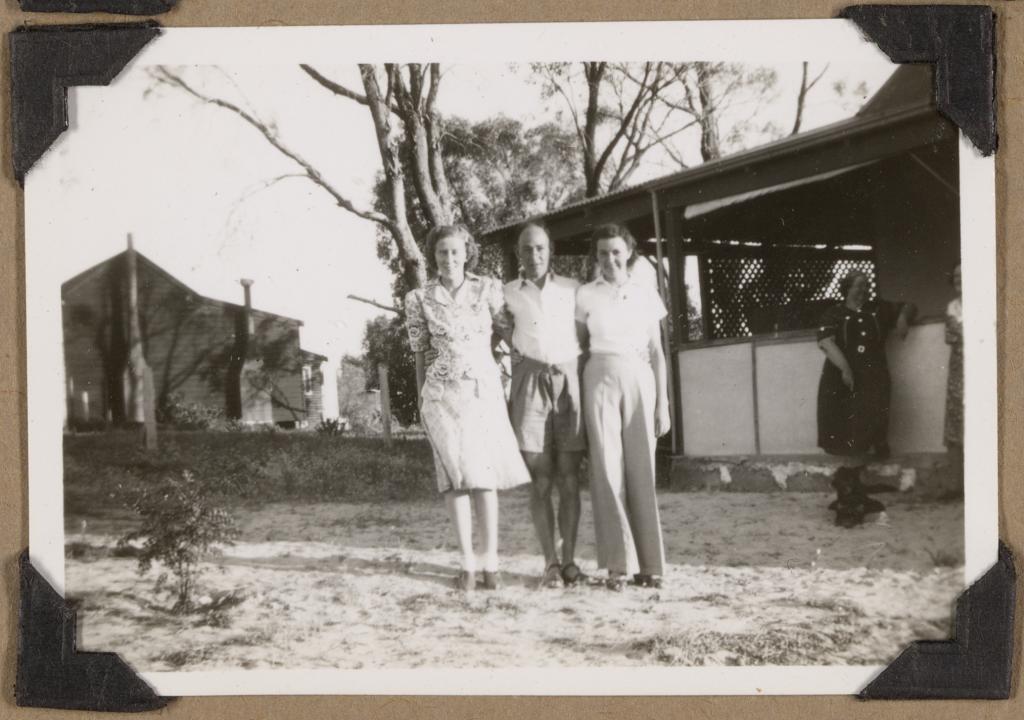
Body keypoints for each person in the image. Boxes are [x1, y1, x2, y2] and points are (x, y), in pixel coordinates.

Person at [404, 225, 530, 592]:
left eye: (455, 252)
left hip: (482, 392)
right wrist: (421, 398)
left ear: (467, 253)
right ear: (434, 256)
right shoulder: (419, 298)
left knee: (483, 477)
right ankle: (467, 566)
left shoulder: (486, 288)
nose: (449, 259)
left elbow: (510, 333)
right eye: (442, 253)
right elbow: (419, 353)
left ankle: (491, 564)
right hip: (441, 396)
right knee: (455, 479)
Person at [575, 223, 670, 591]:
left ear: (628, 251)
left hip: (639, 378)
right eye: (602, 253)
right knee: (606, 470)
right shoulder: (585, 294)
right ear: (595, 257)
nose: (609, 259)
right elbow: (581, 347)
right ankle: (618, 566)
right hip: (599, 376)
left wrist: (663, 403)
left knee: (641, 470)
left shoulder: (646, 293)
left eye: (615, 251)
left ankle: (651, 565)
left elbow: (658, 353)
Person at [503, 223, 587, 588]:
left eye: (539, 248)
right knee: (540, 480)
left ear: (550, 250)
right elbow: (494, 333)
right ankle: (549, 563)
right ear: (518, 254)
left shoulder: (573, 289)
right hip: (530, 387)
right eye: (525, 250)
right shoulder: (505, 293)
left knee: (570, 478)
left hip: (568, 384)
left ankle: (569, 561)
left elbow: (585, 337)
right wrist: (515, 354)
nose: (533, 256)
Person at [816, 269, 915, 509]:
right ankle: (848, 491)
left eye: (866, 285)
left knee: (867, 429)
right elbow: (825, 342)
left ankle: (851, 488)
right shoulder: (835, 312)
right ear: (847, 288)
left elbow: (909, 305)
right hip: (843, 381)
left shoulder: (877, 309)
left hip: (873, 379)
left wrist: (902, 319)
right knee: (849, 432)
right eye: (857, 286)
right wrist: (845, 369)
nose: (863, 290)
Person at [944, 264, 963, 493]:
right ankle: (958, 485)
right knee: (958, 422)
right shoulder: (952, 306)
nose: (958, 278)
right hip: (959, 369)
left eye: (963, 275)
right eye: (955, 275)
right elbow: (950, 336)